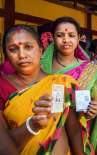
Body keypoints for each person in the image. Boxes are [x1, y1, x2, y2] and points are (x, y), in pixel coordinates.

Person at [0, 25, 84, 154]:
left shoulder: (60, 83)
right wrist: (32, 125)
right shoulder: (1, 86)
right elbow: (4, 148)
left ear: (40, 50)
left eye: (28, 47)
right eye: (13, 49)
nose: (22, 55)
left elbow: (74, 132)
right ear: (6, 55)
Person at [40, 17, 97, 121]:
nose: (66, 40)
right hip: (43, 124)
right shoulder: (41, 66)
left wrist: (96, 107)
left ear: (78, 38)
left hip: (76, 127)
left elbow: (96, 99)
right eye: (60, 35)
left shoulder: (89, 69)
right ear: (53, 38)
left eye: (71, 35)